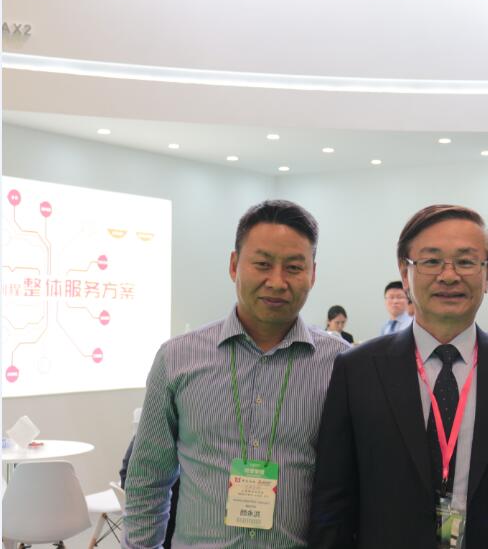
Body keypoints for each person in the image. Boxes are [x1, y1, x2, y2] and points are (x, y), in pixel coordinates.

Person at [309, 205, 488, 549]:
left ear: (487, 276)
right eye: (431, 261)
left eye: (466, 262)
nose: (449, 276)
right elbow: (333, 503)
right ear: (405, 273)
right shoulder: (357, 370)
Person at [124, 200, 349, 547]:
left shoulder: (341, 364)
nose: (277, 282)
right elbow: (147, 479)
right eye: (262, 264)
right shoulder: (177, 358)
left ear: (313, 274)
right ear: (234, 265)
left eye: (293, 267)